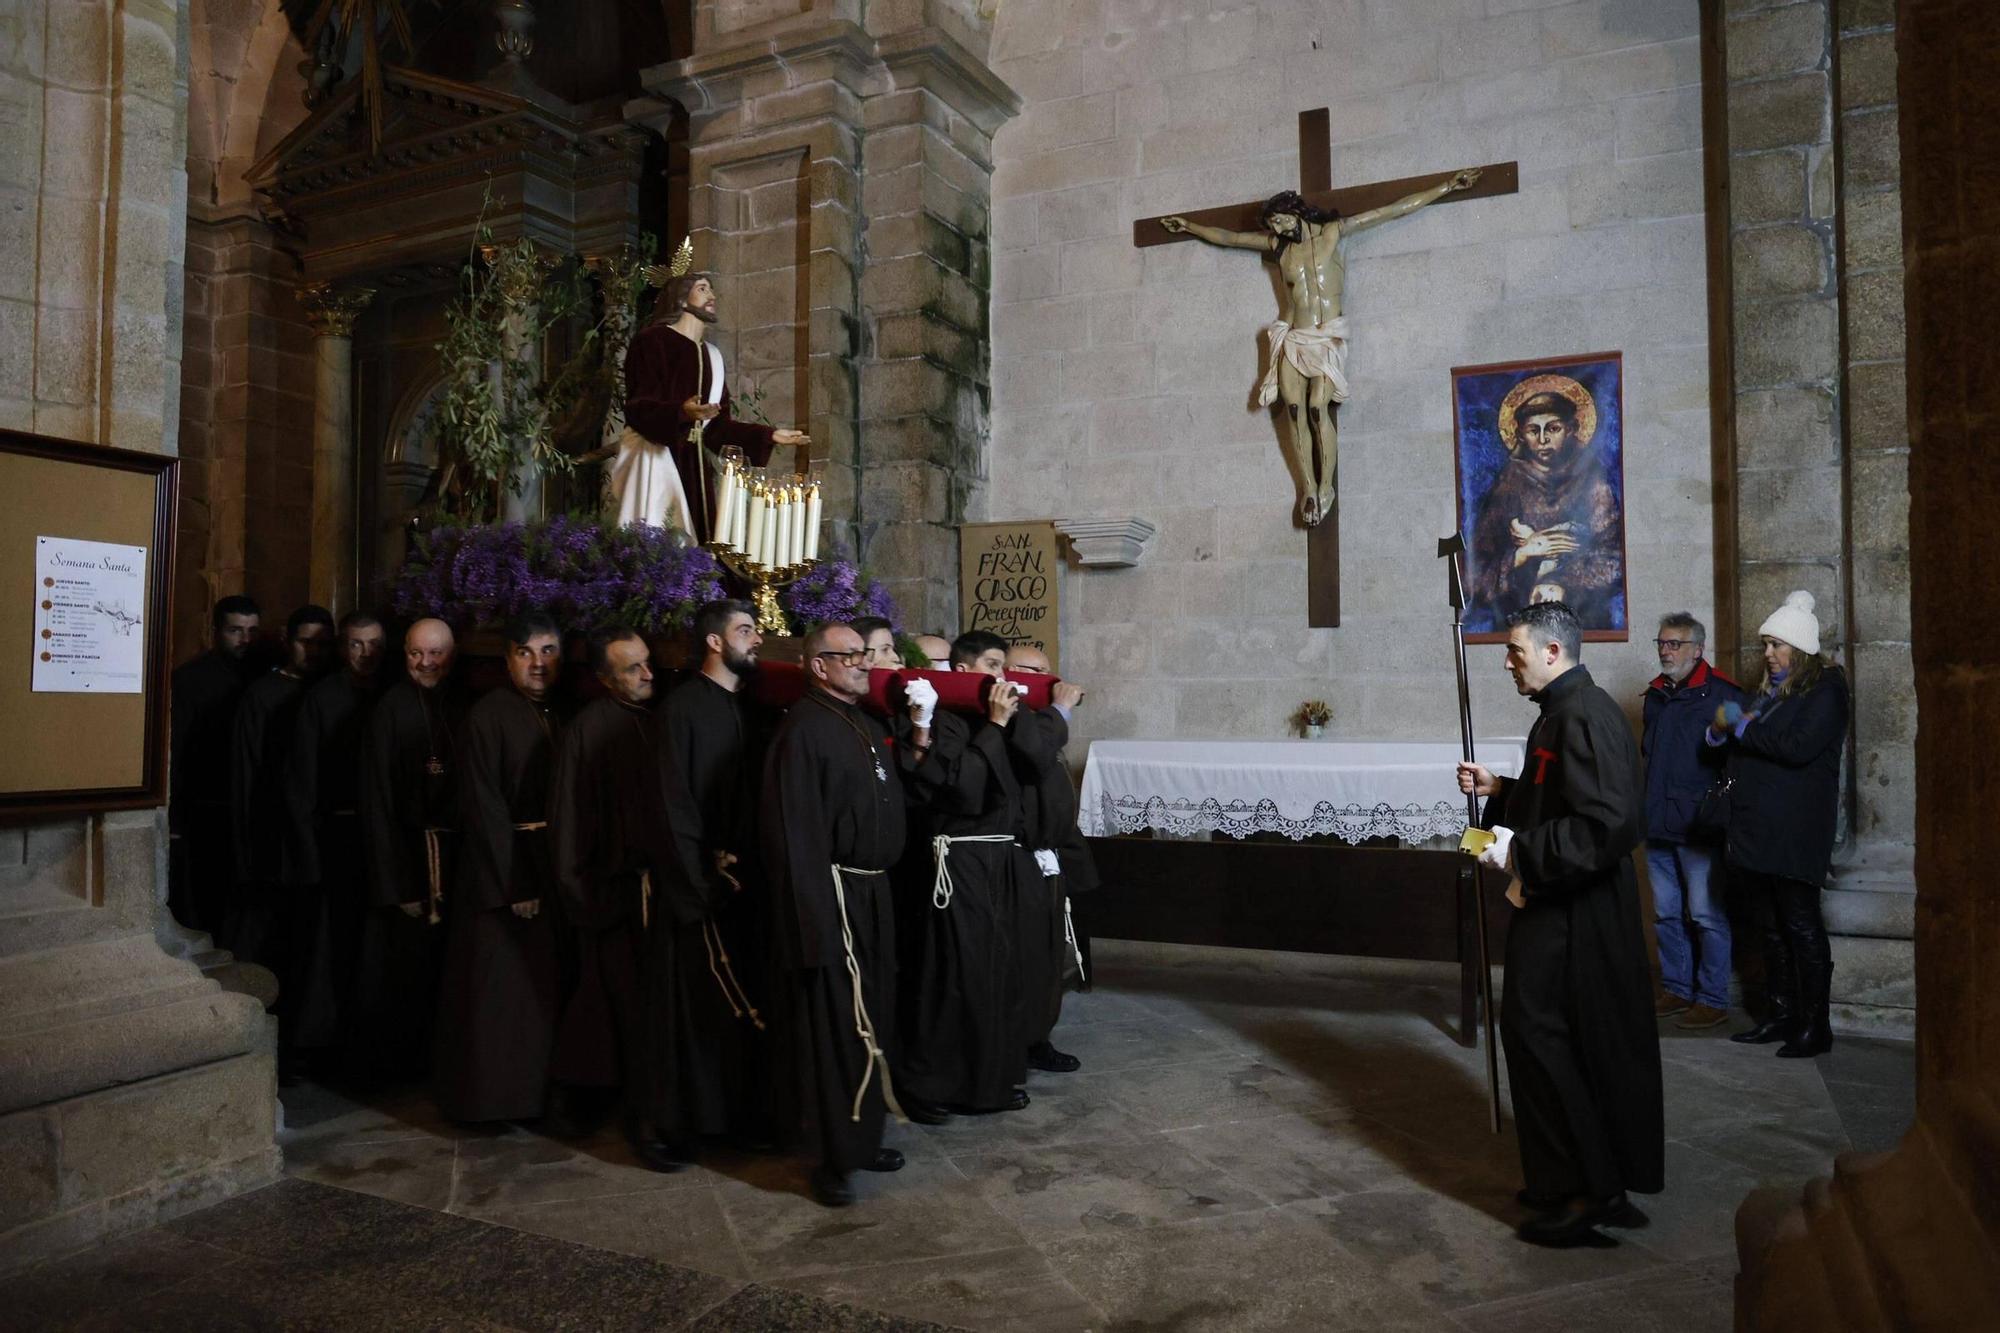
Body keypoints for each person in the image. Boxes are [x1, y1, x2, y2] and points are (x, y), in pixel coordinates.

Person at [1456, 601, 1662, 1248]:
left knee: (1544, 1037)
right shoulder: (1560, 714)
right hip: (1560, 900)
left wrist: (1515, 852)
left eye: (1517, 650)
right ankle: (1572, 1178)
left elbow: (1608, 824)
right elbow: (1560, 795)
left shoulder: (1585, 715)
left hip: (1576, 910)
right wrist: (1501, 788)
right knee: (1550, 1038)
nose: (1509, 662)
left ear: (1553, 651)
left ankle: (1585, 1190)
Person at [1160, 169, 1481, 525]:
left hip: (1326, 336)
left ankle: (1327, 486)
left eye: (1281, 220)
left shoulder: (1333, 232)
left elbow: (1394, 209)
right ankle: (1309, 489)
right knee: (1294, 408)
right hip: (1294, 337)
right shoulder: (1278, 246)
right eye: (1273, 225)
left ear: (1295, 211)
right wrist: (1189, 226)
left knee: (1317, 407)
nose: (1279, 229)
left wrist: (1447, 186)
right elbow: (1230, 237)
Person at [761, 622, 921, 1206]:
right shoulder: (803, 731)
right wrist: (814, 927)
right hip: (833, 899)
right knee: (837, 1026)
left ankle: (862, 1138)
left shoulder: (864, 722)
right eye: (848, 655)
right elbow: (794, 836)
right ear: (818, 666)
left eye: (863, 654)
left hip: (871, 892)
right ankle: (832, 1157)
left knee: (872, 1017)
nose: (861, 663)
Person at [647, 599, 775, 1159]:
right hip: (696, 888)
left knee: (740, 1011)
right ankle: (677, 1129)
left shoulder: (748, 708)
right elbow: (673, 804)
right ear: (715, 642)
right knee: (692, 1015)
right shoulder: (681, 709)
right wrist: (699, 881)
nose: (757, 641)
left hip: (742, 885)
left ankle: (733, 1120)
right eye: (746, 631)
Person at [897, 630, 1040, 1121]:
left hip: (994, 862)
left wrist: (1006, 723)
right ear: (963, 673)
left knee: (994, 972)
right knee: (958, 973)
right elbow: (966, 790)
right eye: (994, 665)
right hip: (959, 861)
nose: (1003, 677)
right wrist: (996, 726)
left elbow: (1035, 765)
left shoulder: (989, 718)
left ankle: (989, 1081)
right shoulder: (949, 721)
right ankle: (935, 1084)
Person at [549, 625, 678, 1168]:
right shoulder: (588, 731)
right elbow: (569, 820)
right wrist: (584, 899)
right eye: (633, 668)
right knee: (621, 1014)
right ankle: (638, 1119)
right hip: (612, 896)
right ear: (605, 679)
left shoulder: (659, 718)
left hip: (661, 894)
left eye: (648, 663)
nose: (648, 674)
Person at [433, 611, 565, 1123]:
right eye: (525, 653)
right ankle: (490, 1103)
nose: (538, 664)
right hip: (504, 875)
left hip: (547, 867)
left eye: (548, 651)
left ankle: (532, 1098)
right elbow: (485, 807)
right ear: (507, 660)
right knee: (496, 997)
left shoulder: (560, 711)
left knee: (538, 996)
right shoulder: (488, 715)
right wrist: (517, 883)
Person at [1709, 591, 1849, 1059]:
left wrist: (1742, 726)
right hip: (1758, 829)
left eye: (1775, 645)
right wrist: (1720, 729)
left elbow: (1795, 746)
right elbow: (1738, 736)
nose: (1767, 654)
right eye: (1766, 645)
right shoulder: (1772, 692)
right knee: (1769, 927)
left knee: (1802, 925)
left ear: (1801, 649)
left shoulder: (1827, 691)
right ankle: (1782, 1014)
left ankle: (1816, 1024)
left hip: (1795, 832)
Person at [611, 270, 809, 541]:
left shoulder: (712, 356)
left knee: (700, 555)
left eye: (711, 290)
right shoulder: (653, 341)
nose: (712, 296)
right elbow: (638, 408)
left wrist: (769, 435)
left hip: (695, 468)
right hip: (656, 460)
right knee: (660, 550)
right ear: (681, 299)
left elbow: (716, 429)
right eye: (703, 289)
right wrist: (681, 413)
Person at [354, 618, 466, 1083]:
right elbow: (376, 803)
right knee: (406, 973)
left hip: (456, 858)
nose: (425, 663)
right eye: (416, 654)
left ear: (451, 655)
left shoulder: (461, 705)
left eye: (435, 653)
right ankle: (405, 1069)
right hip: (408, 860)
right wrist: (394, 882)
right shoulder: (390, 709)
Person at [282, 609, 387, 1071]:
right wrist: (309, 854)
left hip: (379, 838)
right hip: (335, 838)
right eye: (356, 644)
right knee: (329, 948)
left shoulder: (390, 695)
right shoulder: (321, 699)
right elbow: (301, 784)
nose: (365, 654)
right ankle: (323, 1050)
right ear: (345, 647)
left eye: (374, 645)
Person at [1640, 613, 1743, 1031]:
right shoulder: (1655, 694)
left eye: (1675, 644)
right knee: (1666, 914)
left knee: (1705, 914)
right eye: (1662, 643)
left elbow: (1735, 761)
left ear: (1698, 649)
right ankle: (1677, 989)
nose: (1666, 651)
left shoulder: (1723, 694)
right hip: (1657, 821)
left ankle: (1713, 998)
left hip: (1699, 824)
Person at [227, 603, 334, 966]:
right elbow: (246, 776)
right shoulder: (262, 694)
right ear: (290, 642)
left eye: (322, 643)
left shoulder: (333, 690)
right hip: (273, 837)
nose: (314, 651)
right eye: (306, 642)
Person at [1004, 643, 1094, 1069]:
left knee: (1048, 955)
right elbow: (1035, 757)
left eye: (1047, 669)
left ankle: (1039, 1036)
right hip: (1021, 856)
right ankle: (1017, 1042)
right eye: (1031, 670)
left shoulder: (1038, 719)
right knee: (1023, 958)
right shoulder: (1014, 719)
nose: (1045, 678)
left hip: (1049, 856)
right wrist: (1060, 713)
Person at [1469, 389, 1624, 627]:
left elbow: (1614, 558)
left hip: (1579, 621)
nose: (1542, 439)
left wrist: (1560, 580)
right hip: (1517, 622)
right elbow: (1476, 570)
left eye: (1553, 428)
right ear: (1520, 435)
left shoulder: (1592, 480)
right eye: (1533, 430)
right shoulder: (1508, 484)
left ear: (1571, 429)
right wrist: (1524, 553)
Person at [170, 594, 262, 935]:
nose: (246, 640)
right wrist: (175, 817)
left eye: (252, 631)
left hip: (250, 808)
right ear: (216, 631)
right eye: (236, 631)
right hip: (206, 807)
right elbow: (177, 750)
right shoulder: (190, 679)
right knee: (205, 901)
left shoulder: (262, 674)